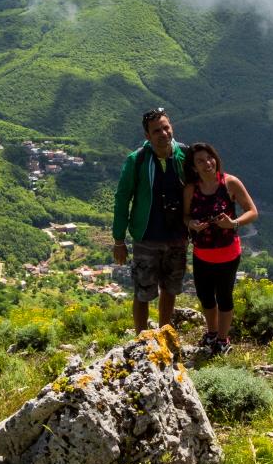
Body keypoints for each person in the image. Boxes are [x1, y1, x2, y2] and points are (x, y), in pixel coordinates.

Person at [111, 107, 188, 334]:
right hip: (147, 236)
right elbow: (122, 198)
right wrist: (119, 240)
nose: (163, 133)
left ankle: (165, 334)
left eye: (166, 127)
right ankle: (141, 340)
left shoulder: (185, 155)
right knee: (143, 291)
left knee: (170, 289)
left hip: (177, 236)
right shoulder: (137, 160)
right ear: (147, 136)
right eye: (157, 131)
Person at [182, 142, 259, 355]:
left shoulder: (230, 183)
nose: (207, 163)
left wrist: (233, 223)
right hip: (202, 253)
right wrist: (191, 224)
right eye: (200, 160)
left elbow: (252, 211)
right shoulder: (191, 189)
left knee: (224, 296)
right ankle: (212, 332)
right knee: (205, 295)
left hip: (228, 253)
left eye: (210, 157)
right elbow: (186, 215)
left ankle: (223, 339)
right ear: (193, 167)